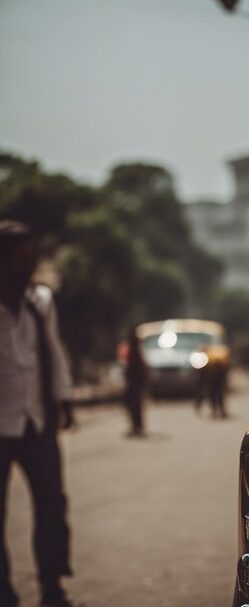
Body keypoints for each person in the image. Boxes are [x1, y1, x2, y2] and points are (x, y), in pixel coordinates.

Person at [0, 221, 78, 607]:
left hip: (37, 419)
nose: (24, 262)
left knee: (51, 506)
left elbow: (54, 350)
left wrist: (64, 400)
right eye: (16, 254)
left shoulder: (41, 301)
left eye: (27, 253)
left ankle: (52, 585)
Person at [123, 327, 148, 436]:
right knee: (135, 404)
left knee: (135, 404)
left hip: (135, 381)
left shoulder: (135, 349)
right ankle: (137, 425)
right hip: (135, 381)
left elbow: (137, 367)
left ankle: (137, 426)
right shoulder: (135, 348)